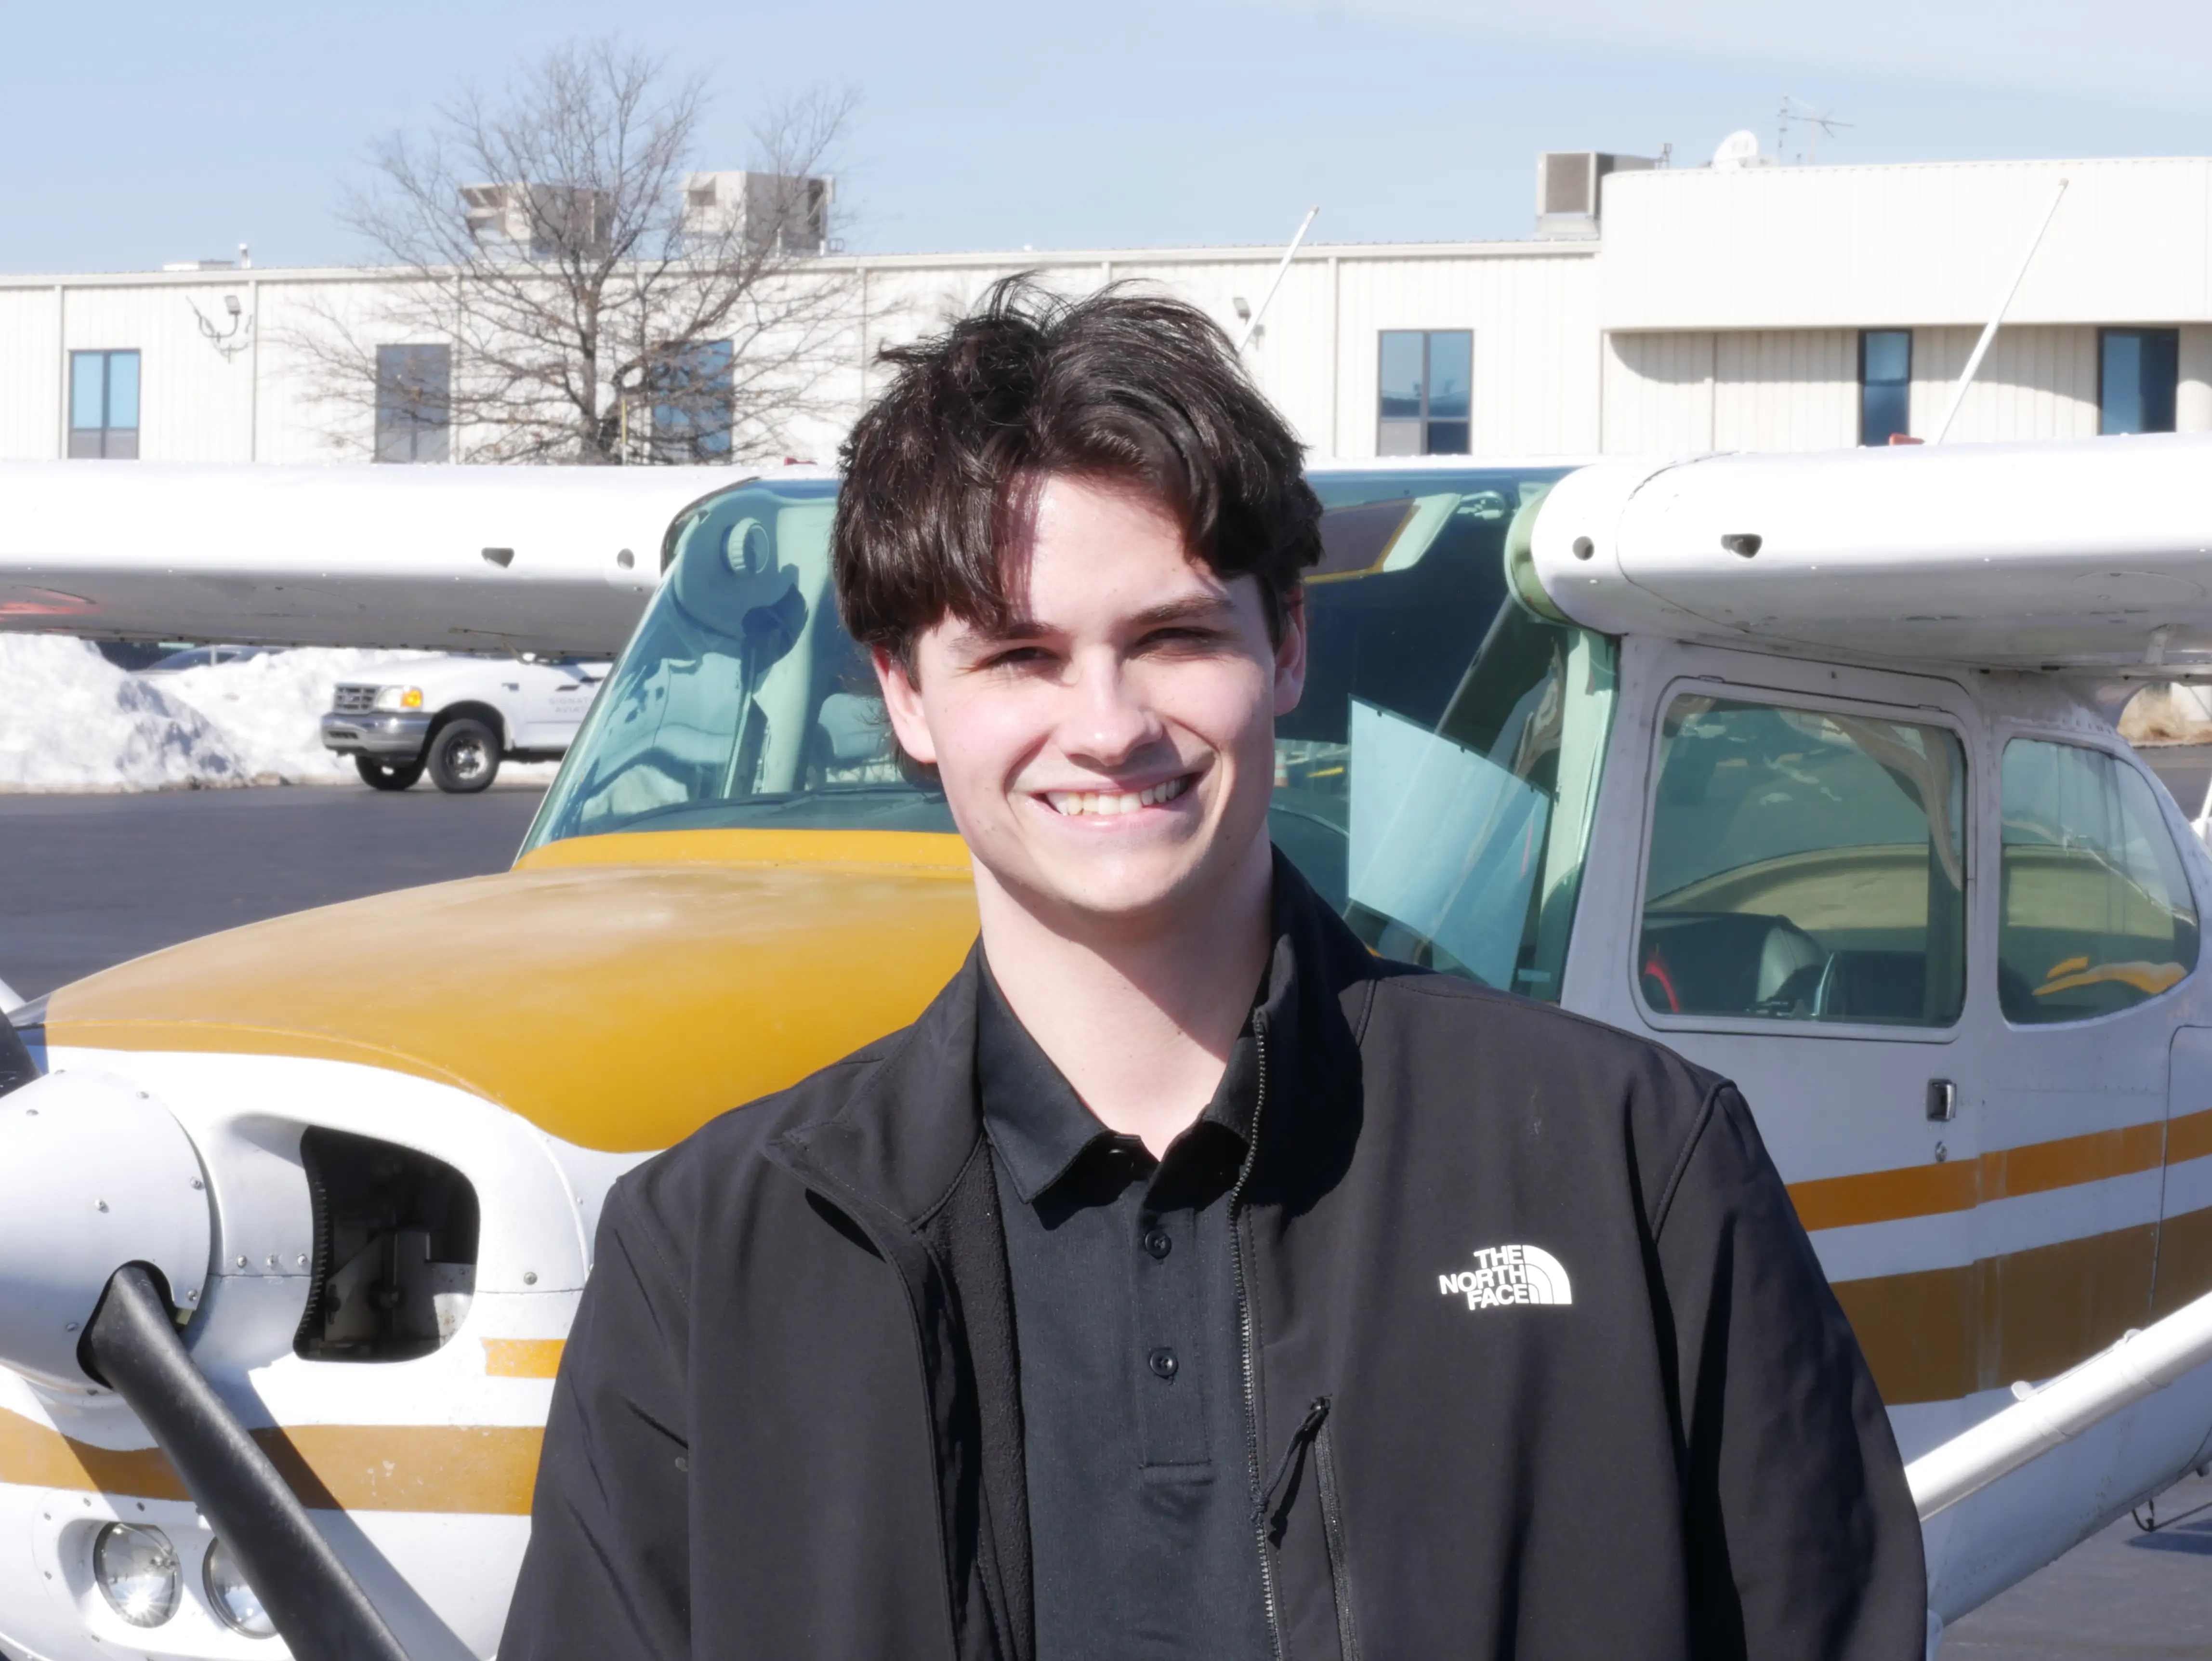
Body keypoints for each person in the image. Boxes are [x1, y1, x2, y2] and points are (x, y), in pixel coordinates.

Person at [500, 281, 1924, 1661]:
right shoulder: (706, 1257)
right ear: (904, 695)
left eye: (1174, 636)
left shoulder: (1636, 1162)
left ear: (1287, 643)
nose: (1108, 724)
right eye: (1019, 656)